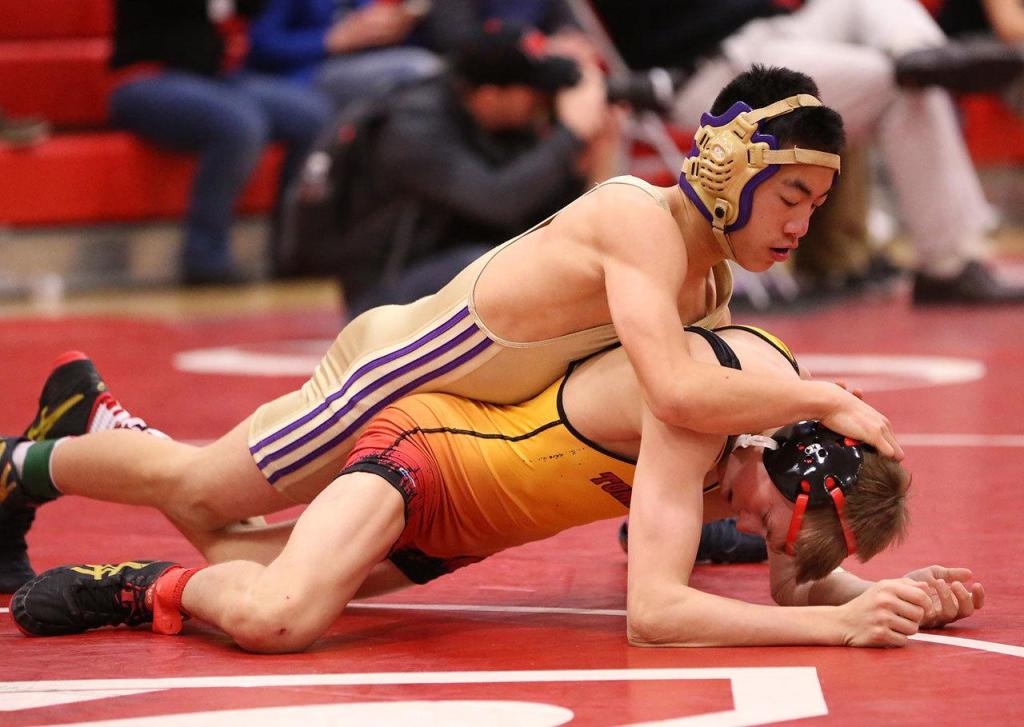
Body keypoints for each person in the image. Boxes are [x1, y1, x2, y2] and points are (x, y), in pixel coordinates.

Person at [0, 65, 903, 593]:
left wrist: (810, 554)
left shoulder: (705, 286)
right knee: (203, 495)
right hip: (390, 377)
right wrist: (826, 393)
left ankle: (87, 431)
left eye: (816, 208)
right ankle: (25, 461)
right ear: (729, 166)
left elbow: (683, 445)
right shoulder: (642, 221)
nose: (799, 227)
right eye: (792, 197)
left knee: (261, 559)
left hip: (444, 421)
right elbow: (673, 391)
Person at [9, 325, 981, 652]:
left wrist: (892, 602)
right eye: (777, 523)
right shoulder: (696, 411)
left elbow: (786, 585)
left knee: (233, 547)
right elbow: (654, 610)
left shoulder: (767, 462)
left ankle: (98, 424)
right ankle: (127, 578)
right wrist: (831, 625)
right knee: (276, 611)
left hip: (460, 529)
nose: (769, 542)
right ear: (781, 455)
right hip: (429, 455)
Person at [593, 0, 1024, 305]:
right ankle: (948, 263)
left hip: (773, 32)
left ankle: (922, 52)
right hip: (710, 68)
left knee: (887, 29)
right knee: (900, 86)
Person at [318, 21, 618, 313]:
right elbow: (499, 202)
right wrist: (568, 136)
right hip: (384, 296)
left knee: (541, 256)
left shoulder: (501, 123)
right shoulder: (414, 128)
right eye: (533, 91)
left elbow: (540, 220)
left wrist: (588, 162)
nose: (543, 100)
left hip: (454, 266)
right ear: (489, 97)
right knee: (493, 265)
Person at [108, 0, 333, 284]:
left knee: (311, 114)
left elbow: (252, 10)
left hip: (213, 80)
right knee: (239, 124)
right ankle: (205, 256)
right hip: (146, 78)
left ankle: (294, 248)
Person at [245, 0, 444, 112]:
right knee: (420, 69)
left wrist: (398, 26)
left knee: (435, 75)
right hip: (301, 73)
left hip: (352, 65)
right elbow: (259, 46)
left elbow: (364, 26)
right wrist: (328, 40)